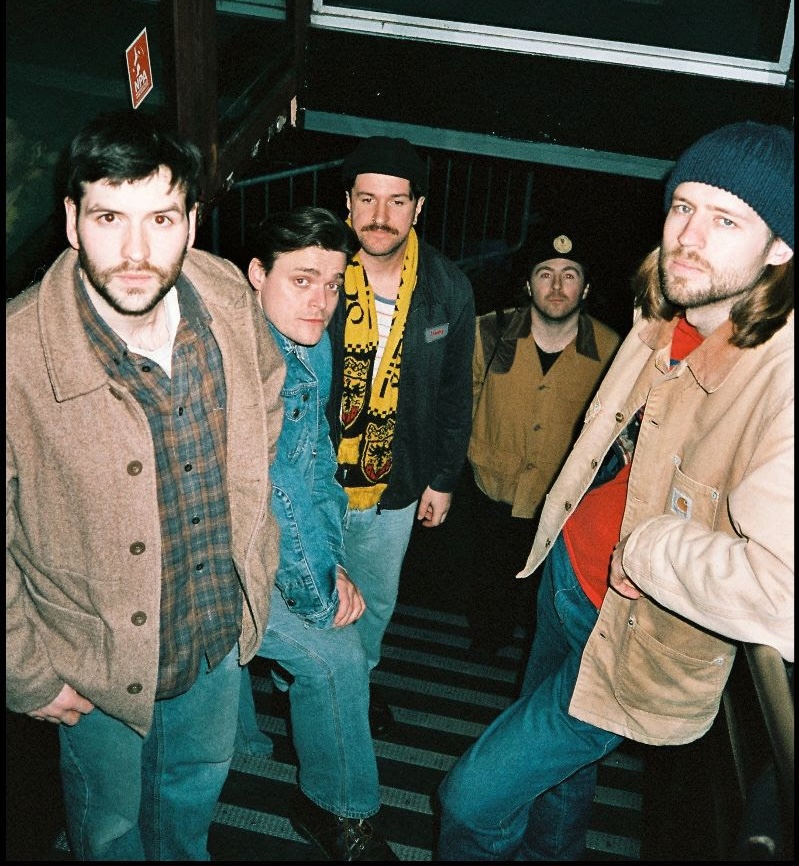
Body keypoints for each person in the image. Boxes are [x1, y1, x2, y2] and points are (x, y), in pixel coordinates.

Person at [435, 119, 794, 860]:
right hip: (568, 579)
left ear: (780, 248)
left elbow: (782, 593)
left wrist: (645, 548)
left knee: (471, 798)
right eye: (683, 206)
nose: (688, 236)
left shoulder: (781, 379)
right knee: (559, 783)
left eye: (726, 220)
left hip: (640, 633)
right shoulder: (662, 313)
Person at [5, 110, 286, 861]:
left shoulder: (223, 293)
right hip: (93, 659)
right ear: (73, 221)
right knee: (110, 826)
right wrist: (27, 675)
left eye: (160, 218)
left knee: (193, 794)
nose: (136, 252)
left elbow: (268, 390)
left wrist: (256, 540)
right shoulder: (15, 357)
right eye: (109, 218)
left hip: (214, 629)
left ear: (190, 223)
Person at [238, 205, 397, 860]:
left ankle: (255, 747)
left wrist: (331, 560)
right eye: (301, 280)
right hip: (212, 562)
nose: (321, 301)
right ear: (257, 274)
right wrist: (321, 590)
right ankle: (338, 810)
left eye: (332, 284)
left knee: (337, 642)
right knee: (336, 656)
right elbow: (276, 485)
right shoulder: (252, 358)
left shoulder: (310, 343)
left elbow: (317, 468)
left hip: (270, 544)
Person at [327, 136, 476, 736]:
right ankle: (310, 691)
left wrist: (443, 478)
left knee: (375, 602)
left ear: (418, 208)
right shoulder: (318, 268)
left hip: (398, 482)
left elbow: (455, 393)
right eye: (367, 199)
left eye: (396, 201)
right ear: (347, 202)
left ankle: (353, 692)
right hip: (316, 478)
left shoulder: (447, 287)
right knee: (307, 592)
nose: (380, 216)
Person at [463, 229, 621, 662]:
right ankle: (486, 640)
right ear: (528, 284)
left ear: (585, 288)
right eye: (545, 273)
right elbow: (463, 399)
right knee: (489, 576)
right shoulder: (490, 332)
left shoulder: (612, 349)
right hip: (492, 485)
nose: (556, 285)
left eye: (569, 275)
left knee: (549, 590)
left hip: (564, 495)